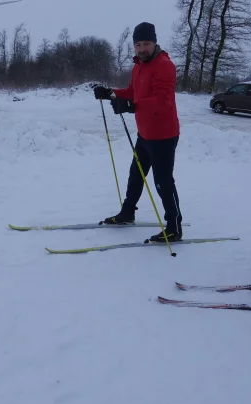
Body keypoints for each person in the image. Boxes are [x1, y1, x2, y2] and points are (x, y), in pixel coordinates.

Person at [92, 22, 183, 242]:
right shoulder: (138, 66)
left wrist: (133, 106)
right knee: (136, 175)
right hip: (144, 134)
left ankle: (174, 227)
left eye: (146, 44)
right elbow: (133, 92)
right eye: (138, 44)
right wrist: (111, 93)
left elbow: (163, 101)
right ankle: (127, 213)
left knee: (163, 182)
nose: (142, 49)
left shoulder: (164, 65)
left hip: (163, 135)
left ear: (155, 42)